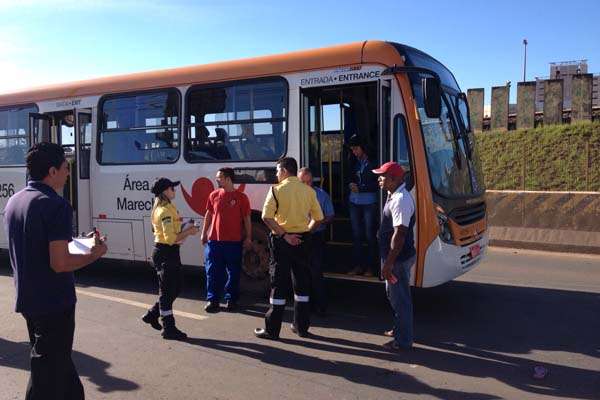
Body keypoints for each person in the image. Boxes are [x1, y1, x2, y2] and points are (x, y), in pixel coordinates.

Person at [4, 142, 108, 400]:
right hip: (54, 302)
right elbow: (59, 262)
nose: (68, 173)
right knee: (47, 370)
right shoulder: (55, 205)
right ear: (52, 171)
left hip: (28, 298)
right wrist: (94, 254)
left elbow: (42, 245)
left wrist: (82, 243)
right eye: (65, 168)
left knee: (57, 364)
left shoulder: (16, 201)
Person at [254, 157, 324, 340]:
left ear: (284, 171)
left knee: (278, 284)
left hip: (282, 241)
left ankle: (272, 330)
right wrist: (305, 233)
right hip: (303, 240)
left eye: (277, 171)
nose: (276, 175)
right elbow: (319, 217)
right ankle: (301, 327)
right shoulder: (308, 191)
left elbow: (266, 217)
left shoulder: (276, 190)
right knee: (301, 283)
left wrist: (285, 235)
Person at [142, 177, 199, 340]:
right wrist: (189, 231)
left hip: (170, 253)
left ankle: (153, 314)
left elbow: (172, 232)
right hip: (166, 252)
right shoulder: (164, 210)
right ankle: (169, 328)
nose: (174, 191)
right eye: (172, 188)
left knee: (176, 287)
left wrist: (185, 226)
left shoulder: (168, 207)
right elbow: (170, 238)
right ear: (165, 191)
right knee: (167, 292)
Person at [372, 161, 417, 351]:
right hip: (394, 258)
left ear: (394, 179)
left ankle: (403, 341)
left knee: (400, 299)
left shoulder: (400, 200)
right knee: (393, 295)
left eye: (382, 176)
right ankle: (399, 329)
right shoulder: (394, 195)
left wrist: (389, 263)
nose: (379, 179)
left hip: (397, 259)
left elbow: (399, 235)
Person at [201, 167, 252, 313]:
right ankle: (213, 300)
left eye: (219, 177)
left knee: (233, 272)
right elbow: (209, 215)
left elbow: (247, 218)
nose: (217, 179)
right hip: (215, 241)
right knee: (212, 272)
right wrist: (204, 233)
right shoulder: (214, 195)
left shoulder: (242, 197)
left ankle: (231, 300)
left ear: (228, 178)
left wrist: (248, 237)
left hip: (234, 242)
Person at [298, 167, 334, 315]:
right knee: (302, 273)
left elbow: (330, 216)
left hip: (316, 237)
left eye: (309, 181)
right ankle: (306, 306)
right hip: (299, 236)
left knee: (316, 272)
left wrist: (318, 222)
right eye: (303, 182)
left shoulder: (321, 195)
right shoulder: (295, 195)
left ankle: (321, 306)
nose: (307, 185)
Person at [347, 134, 379, 277]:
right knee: (356, 235)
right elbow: (349, 176)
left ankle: (371, 267)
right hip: (354, 202)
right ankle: (358, 266)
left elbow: (377, 184)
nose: (354, 152)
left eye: (355, 149)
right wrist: (351, 184)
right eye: (352, 149)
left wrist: (361, 188)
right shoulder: (354, 161)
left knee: (369, 235)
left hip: (369, 203)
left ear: (363, 148)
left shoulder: (374, 162)